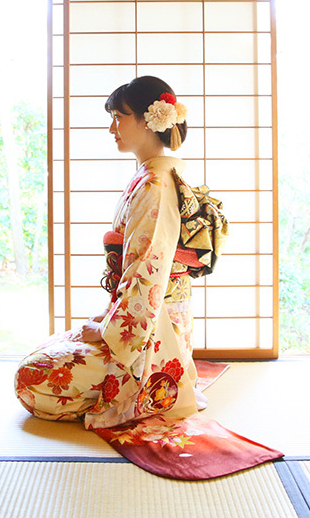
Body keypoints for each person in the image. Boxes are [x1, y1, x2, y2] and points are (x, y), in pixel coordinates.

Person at [14, 75, 202, 430]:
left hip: (152, 331)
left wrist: (107, 331)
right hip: (138, 316)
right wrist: (106, 321)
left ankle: (148, 388)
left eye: (119, 117)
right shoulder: (151, 178)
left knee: (29, 379)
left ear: (148, 121)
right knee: (46, 351)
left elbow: (149, 272)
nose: (112, 128)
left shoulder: (156, 186)